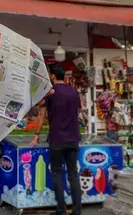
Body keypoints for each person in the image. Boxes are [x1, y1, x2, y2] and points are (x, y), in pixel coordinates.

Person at [30, 64, 82, 215]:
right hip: (73, 138)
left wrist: (36, 134)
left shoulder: (50, 93)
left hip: (57, 139)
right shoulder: (74, 91)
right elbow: (77, 111)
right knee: (73, 174)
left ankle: (61, 210)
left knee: (57, 173)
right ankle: (77, 210)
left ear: (52, 76)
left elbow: (41, 115)